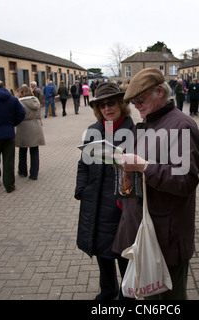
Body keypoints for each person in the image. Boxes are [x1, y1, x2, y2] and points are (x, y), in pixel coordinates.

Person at [112, 68, 199, 300]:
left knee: (169, 298)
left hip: (166, 236)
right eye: (133, 101)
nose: (136, 106)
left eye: (140, 99)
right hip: (146, 231)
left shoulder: (181, 126)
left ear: (160, 92)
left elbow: (185, 181)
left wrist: (143, 166)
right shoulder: (149, 122)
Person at [75, 82, 134, 300]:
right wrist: (81, 190)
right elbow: (83, 164)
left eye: (111, 103)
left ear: (120, 104)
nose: (107, 108)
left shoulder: (133, 132)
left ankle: (126, 294)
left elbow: (136, 172)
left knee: (122, 252)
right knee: (101, 250)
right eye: (101, 105)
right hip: (94, 200)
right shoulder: (94, 130)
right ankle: (107, 291)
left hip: (119, 203)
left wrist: (125, 199)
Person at [15, 85, 45, 180]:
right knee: (34, 151)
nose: (17, 94)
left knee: (23, 150)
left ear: (23, 93)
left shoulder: (19, 103)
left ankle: (23, 171)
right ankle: (34, 173)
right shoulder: (36, 101)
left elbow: (17, 115)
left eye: (19, 92)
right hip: (36, 126)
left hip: (24, 127)